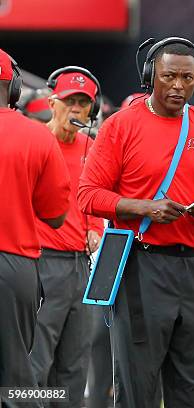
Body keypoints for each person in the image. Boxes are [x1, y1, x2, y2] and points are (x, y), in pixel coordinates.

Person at [77, 38, 194, 408]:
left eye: (188, 77)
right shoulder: (121, 125)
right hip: (142, 265)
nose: (179, 86)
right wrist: (146, 208)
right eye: (169, 76)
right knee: (138, 388)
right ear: (151, 76)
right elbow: (87, 195)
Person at [29, 67, 105, 408]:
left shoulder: (93, 146)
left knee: (75, 365)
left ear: (92, 109)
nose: (75, 110)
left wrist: (95, 228)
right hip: (41, 262)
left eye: (82, 103)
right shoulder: (33, 140)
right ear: (52, 103)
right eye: (69, 101)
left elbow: (100, 195)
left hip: (80, 267)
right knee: (36, 363)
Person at [0, 49, 71, 402]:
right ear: (13, 87)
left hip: (15, 264)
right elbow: (56, 215)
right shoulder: (38, 136)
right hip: (13, 266)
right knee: (16, 375)